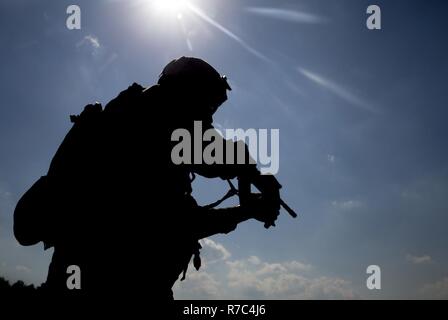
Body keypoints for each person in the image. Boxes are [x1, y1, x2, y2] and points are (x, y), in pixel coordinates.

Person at [14, 57, 280, 299]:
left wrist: (246, 180)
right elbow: (174, 224)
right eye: (207, 104)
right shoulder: (153, 126)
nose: (209, 117)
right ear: (185, 94)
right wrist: (248, 204)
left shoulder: (131, 117)